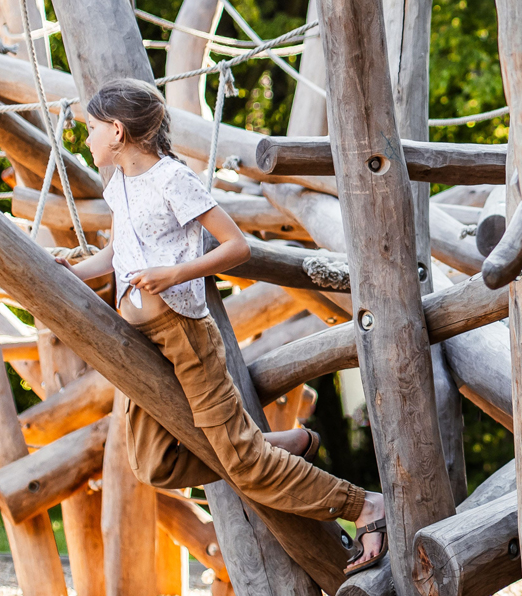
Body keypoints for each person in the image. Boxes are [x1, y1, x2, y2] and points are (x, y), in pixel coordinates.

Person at [60, 78, 390, 573]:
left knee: (248, 468)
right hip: (138, 336)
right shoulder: (118, 183)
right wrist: (76, 270)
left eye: (90, 129)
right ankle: (285, 445)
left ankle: (364, 504)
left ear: (117, 131)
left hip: (183, 334)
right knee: (153, 463)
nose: (85, 138)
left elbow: (235, 246)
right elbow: (120, 250)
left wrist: (176, 273)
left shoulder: (172, 179)